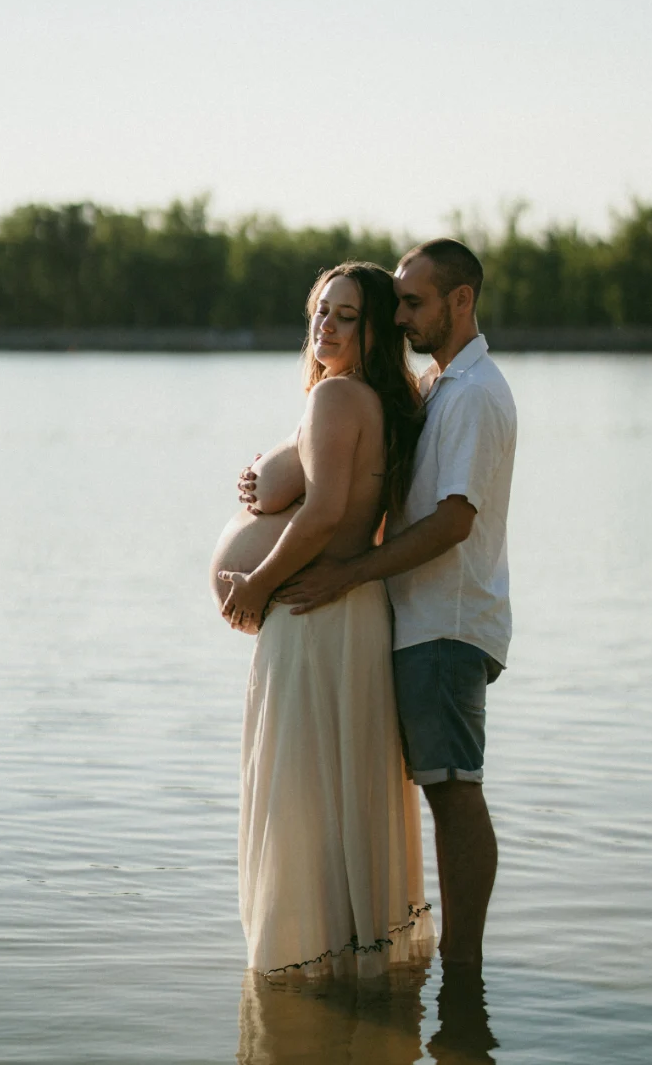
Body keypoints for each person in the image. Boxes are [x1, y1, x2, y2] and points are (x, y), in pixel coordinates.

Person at [272, 239, 517, 970]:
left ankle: (464, 965)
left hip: (446, 622)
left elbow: (452, 521)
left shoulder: (472, 394)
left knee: (454, 792)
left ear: (460, 300)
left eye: (414, 301)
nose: (401, 315)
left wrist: (348, 573)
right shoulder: (443, 387)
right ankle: (449, 978)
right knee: (442, 790)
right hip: (419, 621)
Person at [213, 262, 436, 979]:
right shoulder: (365, 397)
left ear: (373, 332)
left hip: (316, 616)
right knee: (331, 793)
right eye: (319, 312)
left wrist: (254, 583)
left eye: (344, 315)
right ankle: (349, 973)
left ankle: (306, 966)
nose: (325, 327)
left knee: (303, 797)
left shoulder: (340, 396)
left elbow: (325, 513)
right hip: (340, 618)